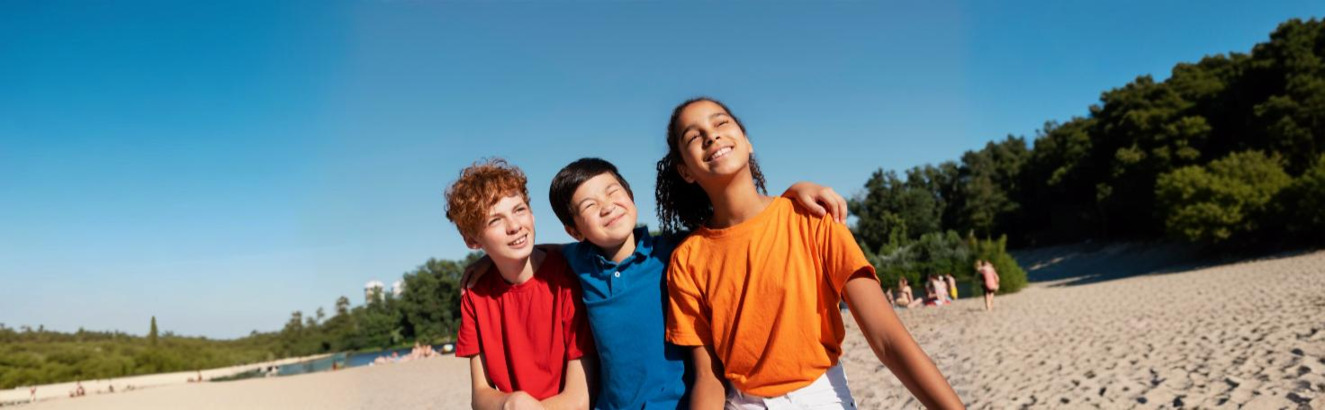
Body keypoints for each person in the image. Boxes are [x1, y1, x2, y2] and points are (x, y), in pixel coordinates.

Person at [463, 157, 847, 409]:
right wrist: (487, 257)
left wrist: (791, 194)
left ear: (631, 197)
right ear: (574, 230)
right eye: (589, 206)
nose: (606, 206)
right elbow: (536, 252)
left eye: (613, 192)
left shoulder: (676, 251)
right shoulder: (578, 263)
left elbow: (736, 225)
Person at [657, 97, 962, 409]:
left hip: (823, 397)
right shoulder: (687, 260)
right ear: (685, 171)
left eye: (721, 122)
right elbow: (708, 378)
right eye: (693, 136)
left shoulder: (814, 219)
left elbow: (887, 339)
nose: (711, 135)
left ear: (747, 142)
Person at [447, 158, 594, 410]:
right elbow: (480, 396)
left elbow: (580, 399)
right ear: (472, 240)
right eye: (495, 220)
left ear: (532, 214)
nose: (514, 226)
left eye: (519, 210)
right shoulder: (474, 295)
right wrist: (510, 402)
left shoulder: (567, 278)